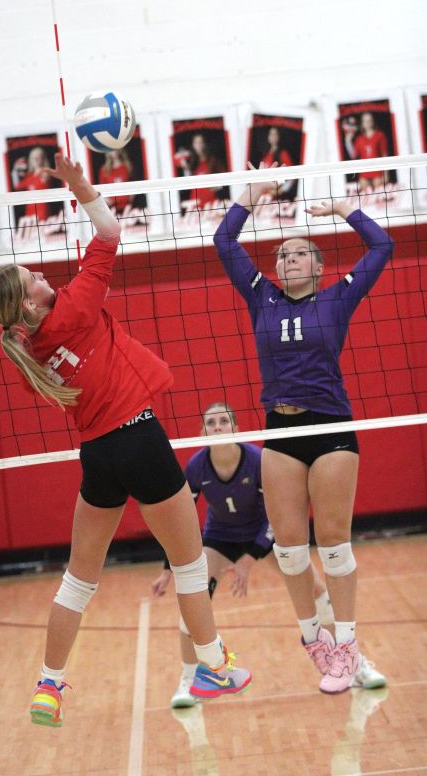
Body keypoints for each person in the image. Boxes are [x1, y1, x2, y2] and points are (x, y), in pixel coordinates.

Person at [0, 155, 252, 728]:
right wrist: (80, 186)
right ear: (29, 303)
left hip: (99, 456)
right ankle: (211, 665)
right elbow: (108, 231)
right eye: (33, 278)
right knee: (189, 565)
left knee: (78, 580)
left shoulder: (27, 352)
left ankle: (49, 685)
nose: (42, 274)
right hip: (140, 440)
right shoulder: (75, 307)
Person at [211, 163, 388, 695]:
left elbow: (382, 246)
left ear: (318, 266)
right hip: (281, 431)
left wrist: (342, 209)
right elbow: (224, 241)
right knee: (288, 550)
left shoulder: (337, 298)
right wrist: (252, 193)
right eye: (281, 254)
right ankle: (316, 642)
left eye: (298, 253)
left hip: (331, 427)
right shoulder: (260, 296)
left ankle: (348, 646)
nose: (287, 258)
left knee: (332, 544)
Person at [151, 401, 334, 708]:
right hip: (220, 538)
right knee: (192, 601)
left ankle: (346, 659)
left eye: (224, 421)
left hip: (263, 533)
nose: (218, 427)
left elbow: (277, 517)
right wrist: (167, 570)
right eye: (211, 423)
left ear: (236, 428)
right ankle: (190, 679)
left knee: (314, 585)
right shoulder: (196, 466)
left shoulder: (257, 460)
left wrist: (248, 561)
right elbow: (177, 521)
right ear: (202, 432)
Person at [175, 133, 226, 210]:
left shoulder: (212, 161)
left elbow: (226, 177)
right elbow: (188, 183)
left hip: (211, 202)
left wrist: (219, 187)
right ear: (193, 145)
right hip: (196, 202)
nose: (199, 145)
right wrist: (185, 168)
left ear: (205, 144)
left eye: (201, 142)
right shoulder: (191, 162)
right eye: (196, 143)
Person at [11, 146, 53, 222]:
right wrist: (14, 172)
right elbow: (17, 186)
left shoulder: (45, 172)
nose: (35, 160)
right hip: (30, 210)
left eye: (38, 157)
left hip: (41, 211)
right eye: (33, 158)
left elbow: (45, 179)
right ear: (30, 160)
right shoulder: (30, 176)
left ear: (43, 159)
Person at [351, 112, 389, 192]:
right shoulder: (359, 139)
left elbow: (384, 154)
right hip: (364, 172)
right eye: (365, 121)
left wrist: (386, 173)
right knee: (365, 196)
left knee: (378, 195)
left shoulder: (380, 135)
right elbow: (353, 155)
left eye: (369, 120)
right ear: (362, 124)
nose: (367, 122)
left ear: (373, 121)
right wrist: (348, 141)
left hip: (377, 171)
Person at [259, 126, 296, 199]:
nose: (272, 136)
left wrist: (281, 190)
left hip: (276, 199)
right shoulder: (265, 154)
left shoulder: (283, 154)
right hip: (264, 196)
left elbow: (291, 177)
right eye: (271, 134)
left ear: (279, 137)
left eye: (275, 134)